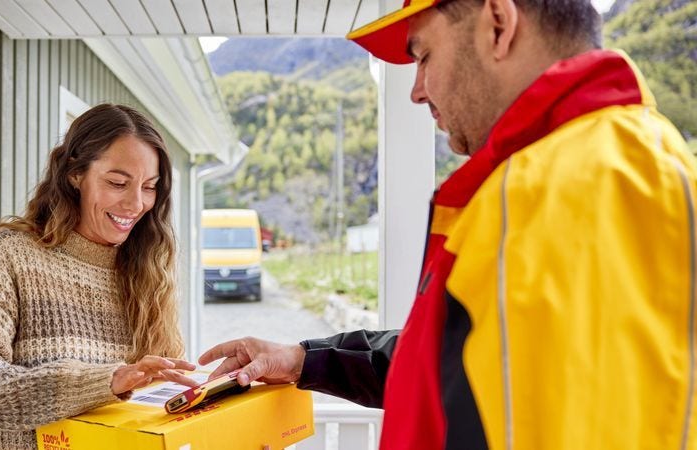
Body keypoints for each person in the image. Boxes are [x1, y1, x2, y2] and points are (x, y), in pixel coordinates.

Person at [199, 0, 697, 449]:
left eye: (423, 56)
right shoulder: (594, 165)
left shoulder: (564, 185)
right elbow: (461, 370)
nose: (417, 91)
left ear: (498, 25)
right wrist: (305, 359)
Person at [0, 104, 199, 450]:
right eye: (117, 183)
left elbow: (159, 412)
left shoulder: (149, 270)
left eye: (149, 187)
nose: (135, 204)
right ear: (74, 174)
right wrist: (103, 383)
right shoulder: (15, 254)